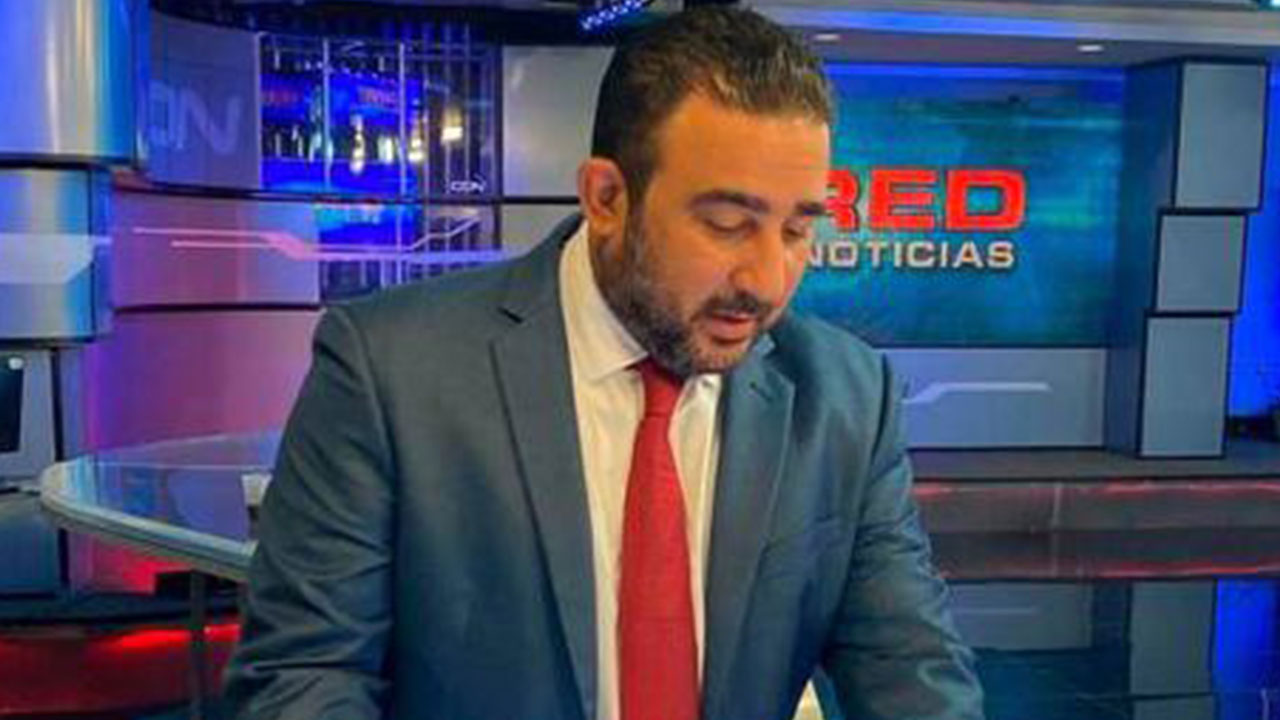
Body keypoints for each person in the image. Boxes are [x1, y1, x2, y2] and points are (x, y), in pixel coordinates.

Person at [224, 7, 984, 720]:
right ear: (607, 197)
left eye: (797, 230)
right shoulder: (391, 368)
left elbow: (911, 667)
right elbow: (303, 675)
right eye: (727, 223)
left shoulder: (847, 397)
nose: (766, 278)